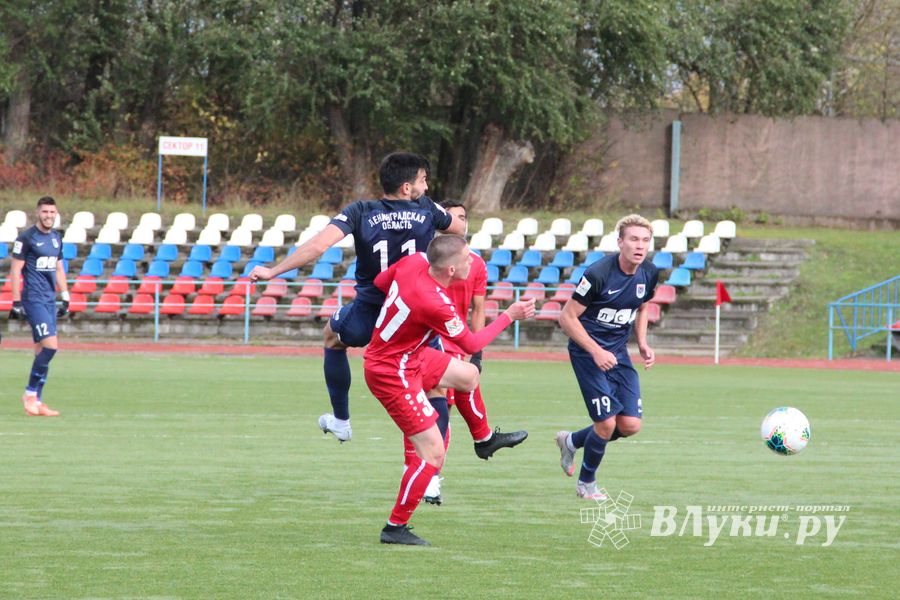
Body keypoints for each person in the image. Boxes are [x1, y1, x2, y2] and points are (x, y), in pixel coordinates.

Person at [248, 152, 465, 441]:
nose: (426, 187)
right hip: (416, 314)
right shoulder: (426, 208)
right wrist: (433, 211)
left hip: (372, 310)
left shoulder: (360, 210)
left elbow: (318, 246)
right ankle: (432, 476)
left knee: (331, 338)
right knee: (434, 386)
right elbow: (458, 227)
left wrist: (274, 271)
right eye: (423, 181)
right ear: (407, 188)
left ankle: (341, 420)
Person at [366, 235, 535, 545]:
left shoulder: (415, 260)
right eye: (468, 258)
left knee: (469, 375)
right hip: (392, 371)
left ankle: (484, 440)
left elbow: (379, 281)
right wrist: (510, 316)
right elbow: (470, 343)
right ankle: (394, 527)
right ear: (452, 270)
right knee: (431, 452)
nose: (473, 262)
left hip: (410, 355)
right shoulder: (434, 301)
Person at [417, 200, 527, 506]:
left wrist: (476, 350)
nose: (461, 222)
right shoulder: (423, 258)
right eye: (454, 217)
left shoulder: (476, 263)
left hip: (458, 338)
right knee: (439, 405)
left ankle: (473, 445)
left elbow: (478, 308)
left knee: (455, 392)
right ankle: (437, 473)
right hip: (429, 338)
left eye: (464, 217)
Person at [555, 214, 658, 500]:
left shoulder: (649, 272)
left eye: (645, 240)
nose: (640, 246)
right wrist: (595, 351)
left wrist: (642, 343)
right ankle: (586, 484)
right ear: (620, 242)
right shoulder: (598, 273)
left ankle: (572, 441)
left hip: (618, 353)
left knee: (630, 425)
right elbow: (567, 317)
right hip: (587, 352)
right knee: (606, 423)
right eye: (634, 239)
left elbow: (643, 307)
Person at [9, 196, 70, 417]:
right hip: (33, 299)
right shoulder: (26, 238)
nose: (49, 216)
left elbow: (59, 269)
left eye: (52, 212)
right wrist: (16, 302)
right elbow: (15, 271)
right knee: (51, 347)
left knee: (41, 350)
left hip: (49, 300)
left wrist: (65, 296)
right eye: (45, 212)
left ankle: (37, 401)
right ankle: (29, 394)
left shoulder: (56, 238)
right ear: (38, 213)